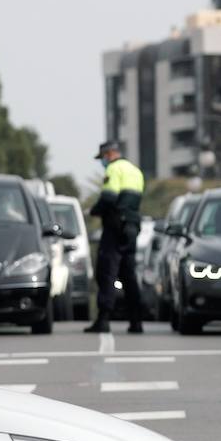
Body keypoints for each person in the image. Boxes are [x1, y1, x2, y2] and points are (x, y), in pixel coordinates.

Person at [86, 140, 145, 334]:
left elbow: (109, 197)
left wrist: (95, 210)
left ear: (109, 154)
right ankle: (136, 321)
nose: (102, 162)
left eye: (102, 157)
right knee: (129, 275)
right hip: (132, 227)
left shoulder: (114, 169)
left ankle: (103, 320)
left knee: (107, 272)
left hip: (115, 227)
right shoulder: (135, 171)